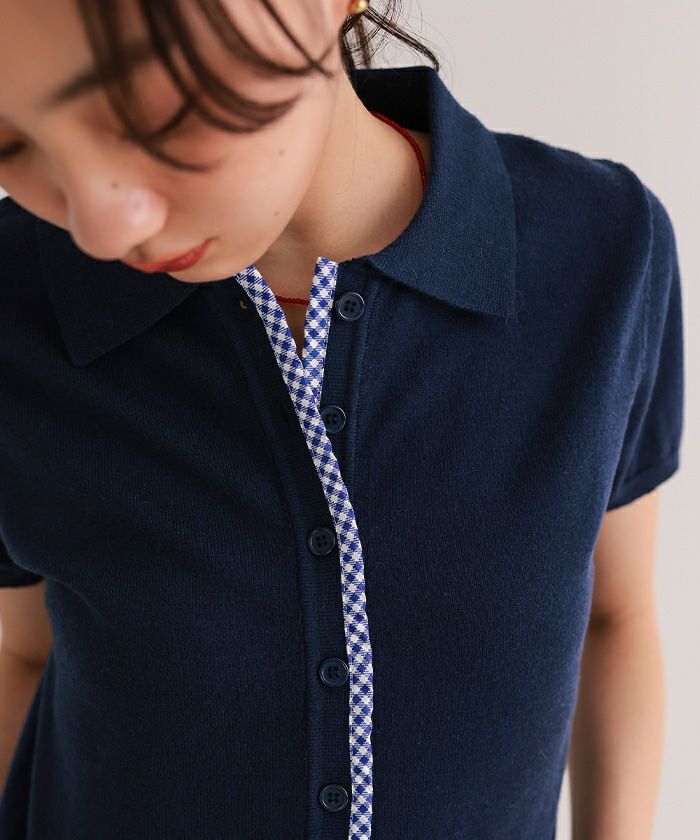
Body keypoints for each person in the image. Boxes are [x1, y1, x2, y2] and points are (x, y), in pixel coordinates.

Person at [0, 1, 685, 839]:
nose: (98, 224)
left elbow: (616, 618)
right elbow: (25, 652)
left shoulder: (602, 250)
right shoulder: (14, 304)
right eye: (8, 145)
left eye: (142, 108)